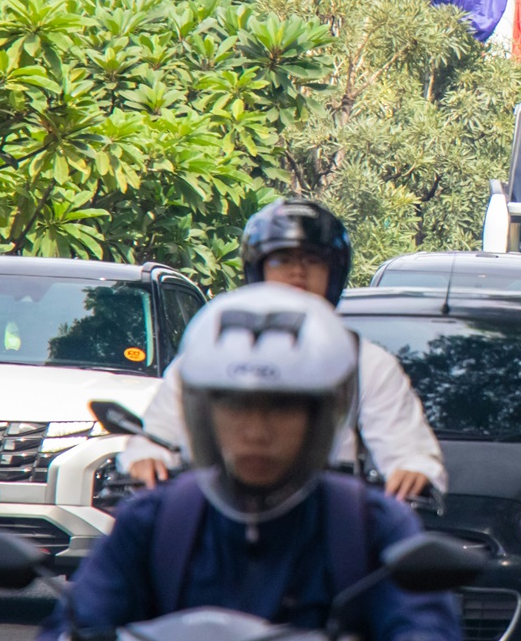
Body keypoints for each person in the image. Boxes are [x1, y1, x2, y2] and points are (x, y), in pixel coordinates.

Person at [0, 284, 461, 641]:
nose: (256, 430)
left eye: (280, 407)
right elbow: (89, 613)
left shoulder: (368, 522)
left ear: (321, 415)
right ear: (203, 412)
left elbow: (416, 610)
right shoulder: (155, 519)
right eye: (235, 406)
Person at [124, 198, 446, 501]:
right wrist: (146, 458)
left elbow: (407, 447)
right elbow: (157, 433)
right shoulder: (216, 346)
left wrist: (412, 469)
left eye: (312, 260)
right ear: (257, 269)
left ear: (335, 274)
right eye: (282, 259)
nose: (298, 272)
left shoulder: (363, 360)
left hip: (330, 520)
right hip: (217, 513)